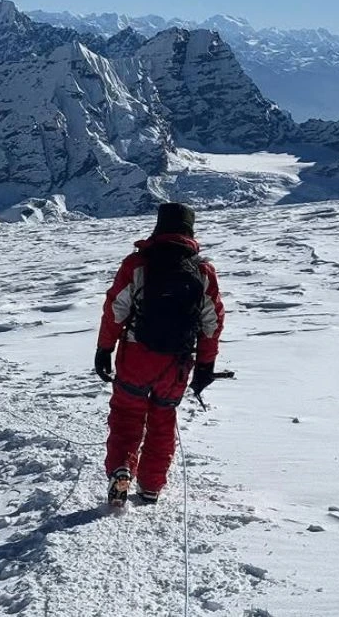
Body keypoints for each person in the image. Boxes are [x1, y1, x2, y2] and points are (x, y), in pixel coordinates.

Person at [94, 202, 225, 506]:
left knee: (127, 415)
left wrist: (104, 348)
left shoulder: (137, 264)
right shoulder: (203, 271)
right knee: (163, 420)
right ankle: (151, 486)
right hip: (177, 362)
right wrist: (206, 365)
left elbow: (115, 309)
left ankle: (122, 468)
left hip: (137, 356)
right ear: (190, 231)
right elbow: (212, 323)